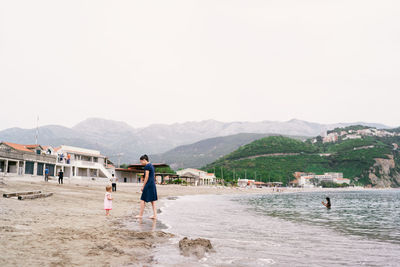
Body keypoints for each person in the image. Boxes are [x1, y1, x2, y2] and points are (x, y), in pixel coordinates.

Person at [136, 155, 158, 219]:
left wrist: (143, 186)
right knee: (152, 200)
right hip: (152, 184)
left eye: (141, 162)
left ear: (144, 160)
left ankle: (140, 215)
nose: (141, 163)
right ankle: (155, 215)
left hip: (148, 184)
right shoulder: (151, 165)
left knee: (142, 199)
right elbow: (153, 176)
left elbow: (146, 177)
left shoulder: (147, 166)